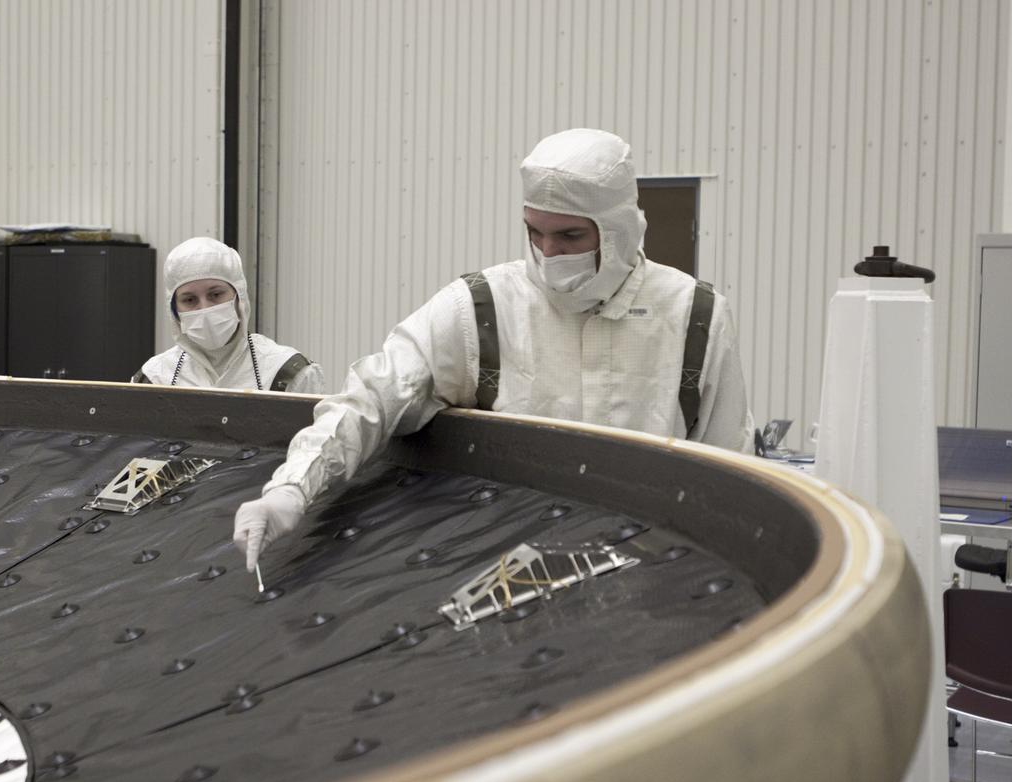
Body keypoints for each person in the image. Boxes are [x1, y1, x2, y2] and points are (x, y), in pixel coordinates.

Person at [233, 128, 754, 571]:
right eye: (536, 233)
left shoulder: (694, 316)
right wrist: (291, 489)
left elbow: (732, 469)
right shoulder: (482, 307)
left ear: (618, 229)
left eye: (571, 236)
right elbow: (376, 394)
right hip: (512, 577)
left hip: (653, 574)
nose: (549, 254)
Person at [132, 237, 324, 393]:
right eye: (189, 300)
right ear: (175, 311)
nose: (204, 308)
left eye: (215, 294)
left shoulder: (286, 371)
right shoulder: (155, 377)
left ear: (239, 297)